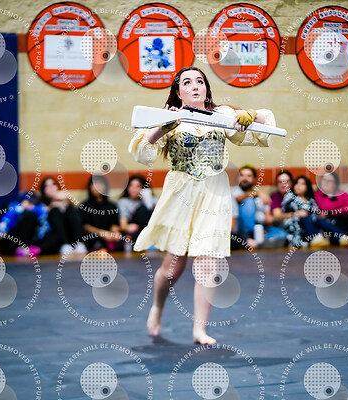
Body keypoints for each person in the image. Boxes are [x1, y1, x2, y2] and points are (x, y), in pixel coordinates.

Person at [129, 66, 277, 344]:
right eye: (187, 82)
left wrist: (251, 115)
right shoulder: (169, 117)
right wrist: (162, 128)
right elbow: (142, 151)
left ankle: (199, 330)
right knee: (172, 267)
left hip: (214, 193)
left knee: (208, 262)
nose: (195, 86)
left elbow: (261, 125)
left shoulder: (221, 114)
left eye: (200, 81)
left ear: (206, 88)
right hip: (181, 193)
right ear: (178, 91)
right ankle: (157, 307)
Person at [282, 175, 348, 247]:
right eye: (296, 183)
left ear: (307, 187)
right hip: (296, 223)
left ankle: (340, 237)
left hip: (311, 221)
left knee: (321, 220)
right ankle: (316, 238)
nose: (298, 186)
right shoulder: (290, 197)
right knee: (308, 218)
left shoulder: (310, 199)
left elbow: (316, 211)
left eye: (302, 184)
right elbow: (282, 214)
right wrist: (296, 213)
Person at [39, 176, 87, 254]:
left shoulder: (65, 201)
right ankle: (64, 245)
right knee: (55, 211)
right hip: (52, 237)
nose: (51, 187)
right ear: (43, 190)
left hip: (70, 234)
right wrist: (53, 205)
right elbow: (42, 215)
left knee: (71, 209)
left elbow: (77, 214)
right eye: (47, 186)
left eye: (53, 184)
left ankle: (79, 244)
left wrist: (67, 199)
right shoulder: (41, 204)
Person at [231, 165, 271, 248]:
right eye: (242, 175)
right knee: (249, 201)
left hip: (259, 228)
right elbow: (238, 199)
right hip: (241, 230)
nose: (245, 178)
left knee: (281, 234)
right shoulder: (234, 191)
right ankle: (248, 237)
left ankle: (259, 241)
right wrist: (256, 193)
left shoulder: (259, 195)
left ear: (254, 179)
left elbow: (268, 218)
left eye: (248, 176)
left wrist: (267, 217)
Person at [80, 175, 122, 251]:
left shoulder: (112, 206)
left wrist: (115, 232)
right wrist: (101, 233)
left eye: (100, 184)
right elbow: (85, 226)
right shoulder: (84, 206)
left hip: (109, 237)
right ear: (90, 187)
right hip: (93, 237)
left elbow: (114, 223)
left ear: (105, 186)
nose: (97, 187)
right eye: (94, 184)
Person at [314, 172, 348, 236]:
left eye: (329, 181)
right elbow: (325, 206)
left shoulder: (341, 193)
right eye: (324, 180)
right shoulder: (317, 194)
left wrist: (333, 211)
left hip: (344, 219)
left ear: (335, 184)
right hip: (328, 222)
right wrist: (342, 205)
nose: (326, 183)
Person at [118, 175, 157, 242]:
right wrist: (128, 227)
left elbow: (159, 216)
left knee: (144, 209)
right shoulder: (124, 202)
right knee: (142, 209)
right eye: (131, 186)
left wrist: (148, 200)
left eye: (138, 186)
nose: (134, 189)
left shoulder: (150, 199)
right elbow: (123, 224)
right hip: (136, 230)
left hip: (150, 228)